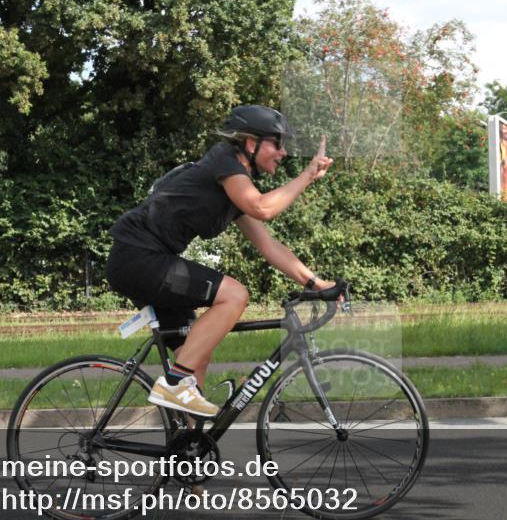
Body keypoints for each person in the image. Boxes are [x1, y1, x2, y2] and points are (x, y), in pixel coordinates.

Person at [105, 105, 335, 418]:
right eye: (276, 144)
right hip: (138, 257)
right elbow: (263, 208)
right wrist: (307, 175)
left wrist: (316, 283)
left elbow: (270, 246)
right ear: (251, 143)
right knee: (234, 295)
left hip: (148, 260)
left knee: (195, 355)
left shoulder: (234, 187)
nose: (282, 153)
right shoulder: (223, 162)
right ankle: (174, 384)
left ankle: (186, 452)